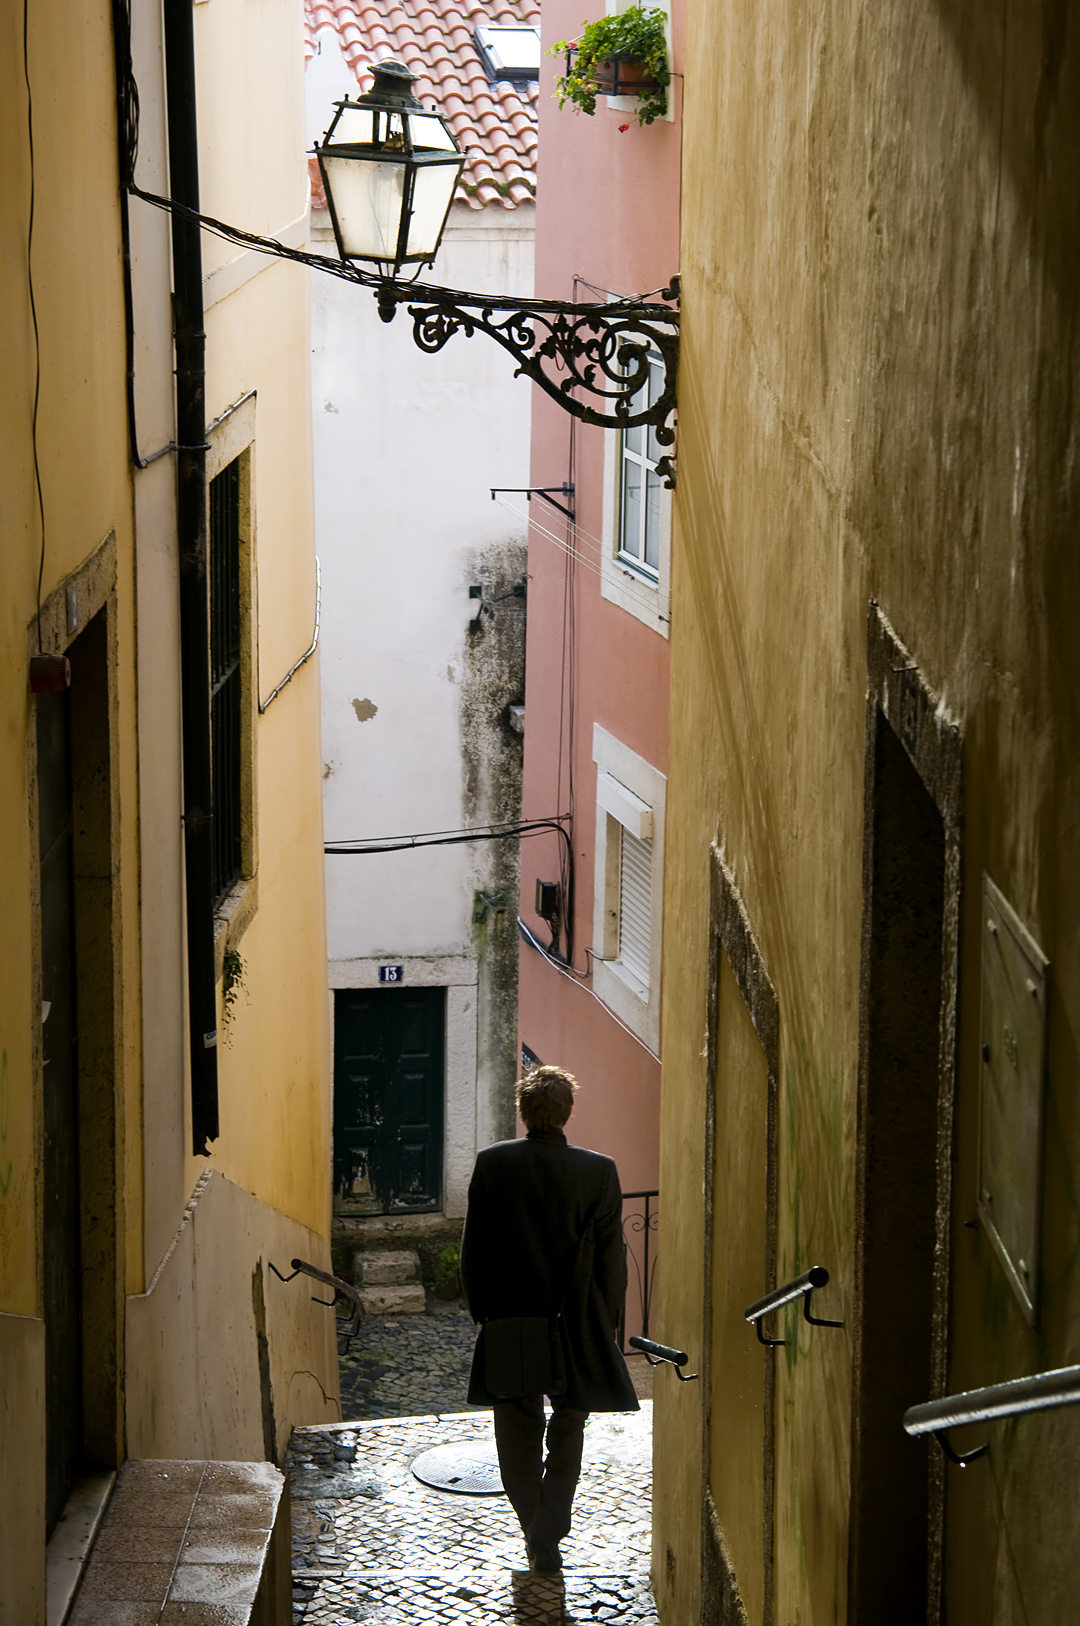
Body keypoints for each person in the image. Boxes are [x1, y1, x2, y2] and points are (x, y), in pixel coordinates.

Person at [460, 1065, 638, 1572]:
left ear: (523, 1111)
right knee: (569, 1425)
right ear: (567, 1113)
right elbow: (611, 1261)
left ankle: (533, 1526)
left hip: (511, 1318)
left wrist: (483, 1312)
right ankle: (549, 1533)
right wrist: (606, 1325)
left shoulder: (493, 1164)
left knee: (516, 1428)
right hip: (575, 1321)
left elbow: (476, 1249)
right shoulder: (598, 1171)